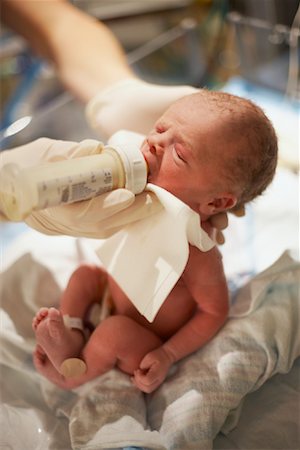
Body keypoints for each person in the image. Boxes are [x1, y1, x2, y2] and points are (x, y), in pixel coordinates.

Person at [31, 89, 278, 393]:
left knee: (113, 333)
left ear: (215, 204)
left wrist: (167, 354)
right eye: (161, 127)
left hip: (144, 335)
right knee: (85, 277)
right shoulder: (138, 195)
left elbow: (213, 312)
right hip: (113, 296)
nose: (156, 142)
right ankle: (71, 332)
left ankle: (74, 375)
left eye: (180, 153)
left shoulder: (196, 251)